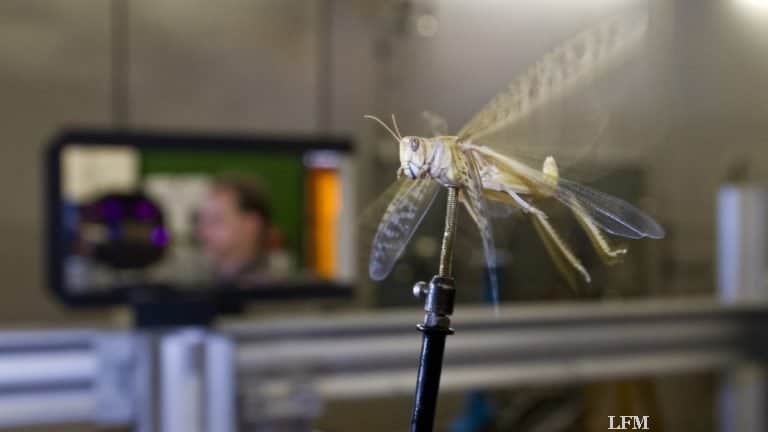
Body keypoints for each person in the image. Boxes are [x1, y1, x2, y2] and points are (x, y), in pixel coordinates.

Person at [196, 175, 274, 283]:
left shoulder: (276, 290)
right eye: (202, 221)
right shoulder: (202, 282)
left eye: (216, 220)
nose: (202, 232)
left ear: (250, 224)